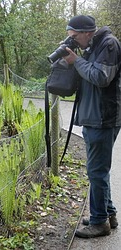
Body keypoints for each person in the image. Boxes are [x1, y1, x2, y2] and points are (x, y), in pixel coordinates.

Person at [63, 15, 121, 238]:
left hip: (103, 118)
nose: (74, 41)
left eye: (75, 37)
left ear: (87, 32)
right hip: (93, 117)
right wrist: (73, 59)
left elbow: (100, 77)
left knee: (96, 171)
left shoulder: (109, 44)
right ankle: (108, 214)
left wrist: (76, 61)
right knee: (98, 171)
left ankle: (99, 223)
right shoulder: (92, 46)